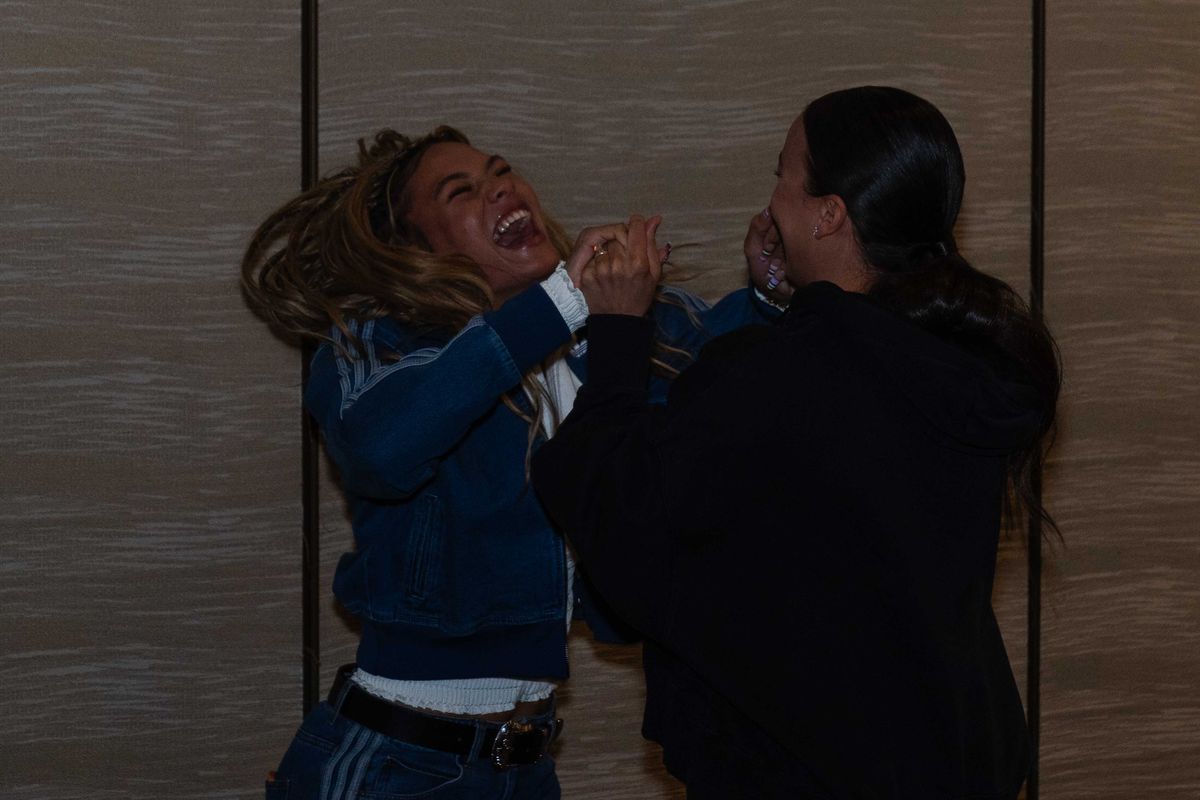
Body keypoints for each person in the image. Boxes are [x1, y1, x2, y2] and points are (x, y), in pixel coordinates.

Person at [531, 86, 1060, 800]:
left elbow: (623, 525)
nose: (772, 203)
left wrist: (620, 332)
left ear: (829, 212)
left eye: (781, 175)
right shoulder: (955, 357)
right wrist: (788, 305)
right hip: (947, 757)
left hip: (806, 770)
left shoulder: (777, 373)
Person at [241, 125, 785, 799]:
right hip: (392, 761)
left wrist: (771, 293)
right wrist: (557, 303)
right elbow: (380, 449)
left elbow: (725, 363)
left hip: (525, 765)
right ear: (416, 248)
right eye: (460, 191)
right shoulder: (375, 342)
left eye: (500, 171)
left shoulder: (597, 331)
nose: (500, 185)